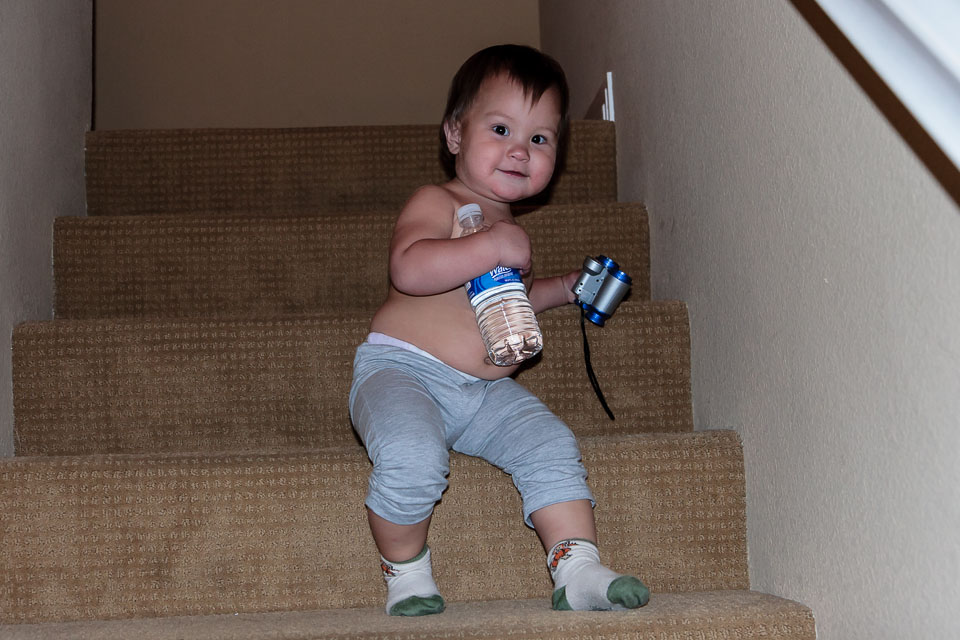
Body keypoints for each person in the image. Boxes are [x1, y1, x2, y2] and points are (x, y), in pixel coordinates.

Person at [349, 44, 650, 616]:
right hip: (403, 372)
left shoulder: (507, 228)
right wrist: (491, 245)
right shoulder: (438, 201)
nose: (520, 149)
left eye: (540, 138)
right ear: (454, 134)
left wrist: (564, 288)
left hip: (484, 392)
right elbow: (409, 268)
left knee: (551, 444)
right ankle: (406, 570)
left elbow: (509, 302)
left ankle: (576, 568)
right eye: (501, 129)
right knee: (413, 456)